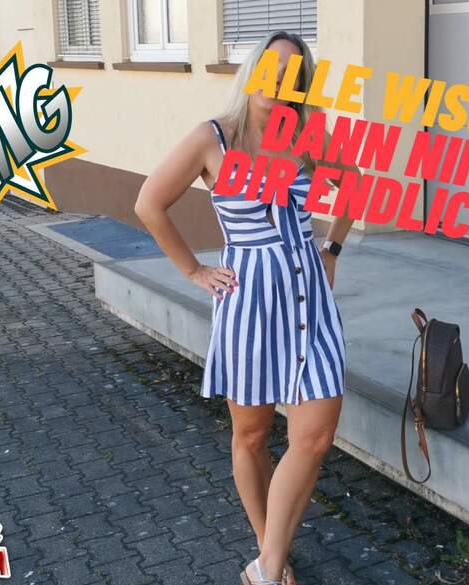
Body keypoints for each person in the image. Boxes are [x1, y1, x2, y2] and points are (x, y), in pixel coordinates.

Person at [134, 30, 360, 585]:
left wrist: (331, 249)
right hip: (249, 303)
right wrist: (194, 270)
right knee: (253, 436)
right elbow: (149, 203)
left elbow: (353, 181)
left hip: (308, 297)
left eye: (292, 76)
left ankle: (266, 567)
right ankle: (269, 554)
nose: (278, 82)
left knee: (314, 435)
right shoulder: (213, 138)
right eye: (270, 69)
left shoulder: (308, 133)